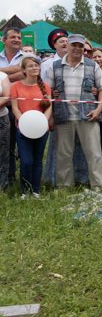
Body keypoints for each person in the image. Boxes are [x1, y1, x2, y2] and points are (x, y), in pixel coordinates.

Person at [43, 33, 102, 188]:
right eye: (74, 45)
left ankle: (98, 186)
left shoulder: (92, 65)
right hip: (63, 117)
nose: (77, 49)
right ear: (68, 46)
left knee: (94, 153)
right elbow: (47, 92)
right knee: (63, 154)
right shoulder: (55, 66)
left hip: (88, 115)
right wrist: (50, 115)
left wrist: (98, 109)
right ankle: (64, 186)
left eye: (80, 46)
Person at [9, 55, 51, 196]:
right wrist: (23, 123)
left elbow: (49, 107)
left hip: (41, 129)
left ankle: (36, 190)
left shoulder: (45, 87)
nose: (35, 68)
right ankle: (25, 191)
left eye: (36, 65)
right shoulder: (15, 86)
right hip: (23, 129)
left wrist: (43, 122)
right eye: (31, 66)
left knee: (37, 160)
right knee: (26, 161)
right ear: (24, 70)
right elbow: (15, 108)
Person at [0, 27, 24, 184]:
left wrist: (2, 75)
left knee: (20, 144)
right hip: (2, 108)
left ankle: (19, 179)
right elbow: (20, 71)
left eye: (19, 37)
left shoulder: (28, 56)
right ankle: (7, 179)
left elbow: (25, 72)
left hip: (21, 107)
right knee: (4, 145)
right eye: (13, 37)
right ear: (4, 40)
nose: (17, 39)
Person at [0, 65, 10, 189]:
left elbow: (7, 97)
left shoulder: (3, 76)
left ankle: (2, 186)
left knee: (3, 153)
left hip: (2, 120)